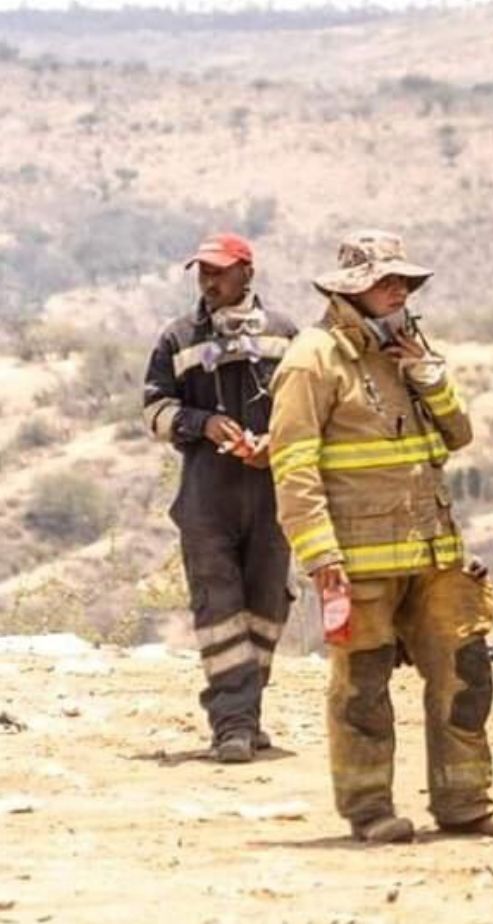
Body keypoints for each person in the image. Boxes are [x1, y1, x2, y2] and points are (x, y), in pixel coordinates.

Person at [268, 230, 493, 843]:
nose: (398, 292)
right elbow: (293, 464)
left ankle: (465, 803)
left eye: (403, 282)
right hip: (358, 559)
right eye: (385, 282)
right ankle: (369, 811)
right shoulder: (314, 358)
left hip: (434, 550)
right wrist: (318, 552)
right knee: (362, 689)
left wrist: (429, 377)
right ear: (350, 289)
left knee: (466, 673)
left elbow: (459, 434)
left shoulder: (409, 348)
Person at [142, 232, 298, 763]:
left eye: (220, 270)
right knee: (219, 608)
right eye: (203, 271)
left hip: (274, 491)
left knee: (268, 605)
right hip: (207, 496)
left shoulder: (285, 334)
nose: (210, 280)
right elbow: (154, 412)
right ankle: (231, 724)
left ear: (247, 273)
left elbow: (308, 410)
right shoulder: (178, 337)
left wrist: (276, 442)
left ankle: (248, 713)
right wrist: (202, 424)